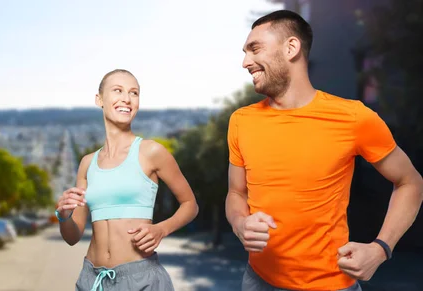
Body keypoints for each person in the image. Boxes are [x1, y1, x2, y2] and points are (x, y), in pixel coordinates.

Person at [226, 10, 423, 291]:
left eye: (254, 49)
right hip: (257, 280)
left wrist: (381, 249)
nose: (246, 62)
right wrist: (240, 223)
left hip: (332, 285)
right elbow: (236, 193)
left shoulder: (354, 117)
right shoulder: (241, 121)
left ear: (291, 48)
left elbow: (410, 183)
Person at [56, 69, 199, 291]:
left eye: (134, 93)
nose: (126, 98)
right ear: (99, 99)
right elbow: (73, 237)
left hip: (141, 278)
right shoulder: (87, 163)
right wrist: (64, 216)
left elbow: (190, 205)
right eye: (118, 90)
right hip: (92, 279)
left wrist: (161, 229)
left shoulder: (151, 152)